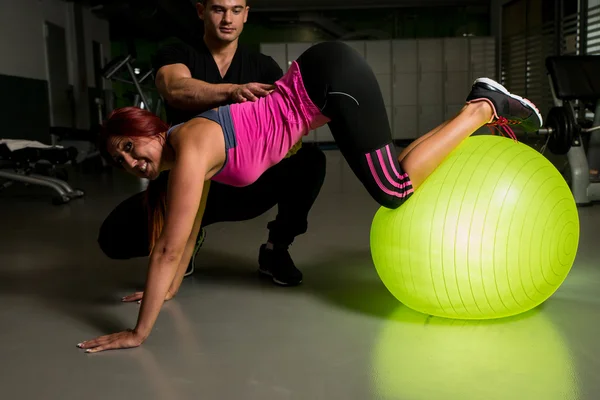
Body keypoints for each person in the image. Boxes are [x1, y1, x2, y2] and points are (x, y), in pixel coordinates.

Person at [77, 41, 542, 353]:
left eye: (130, 146)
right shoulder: (182, 157)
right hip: (321, 84)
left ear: (149, 130)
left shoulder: (190, 146)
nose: (132, 161)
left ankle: (483, 106)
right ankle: (476, 109)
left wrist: (140, 332)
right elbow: (190, 226)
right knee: (395, 176)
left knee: (394, 190)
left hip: (331, 82)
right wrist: (170, 288)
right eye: (121, 160)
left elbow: (170, 246)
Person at [97, 0, 326, 287]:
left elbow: (283, 121)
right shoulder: (177, 52)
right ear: (201, 11)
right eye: (218, 9)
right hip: (182, 181)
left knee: (311, 161)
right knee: (113, 237)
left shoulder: (262, 66)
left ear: (246, 14)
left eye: (236, 10)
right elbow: (174, 88)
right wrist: (233, 91)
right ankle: (189, 236)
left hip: (242, 183)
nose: (227, 19)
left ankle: (275, 249)